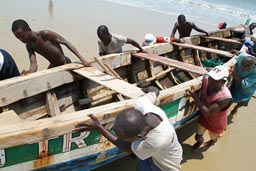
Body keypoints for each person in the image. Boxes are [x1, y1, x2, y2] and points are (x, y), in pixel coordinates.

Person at [74, 86, 183, 171]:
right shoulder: (142, 105)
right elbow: (155, 91)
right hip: (150, 153)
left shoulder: (158, 140)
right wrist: (144, 89)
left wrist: (99, 128)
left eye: (123, 137)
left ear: (138, 135)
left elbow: (128, 148)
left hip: (164, 165)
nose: (117, 137)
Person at [12, 19, 90, 75]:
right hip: (53, 66)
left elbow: (66, 43)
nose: (21, 39)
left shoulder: (45, 34)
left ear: (29, 30)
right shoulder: (29, 46)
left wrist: (82, 60)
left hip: (65, 63)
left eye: (22, 36)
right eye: (18, 38)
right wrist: (29, 72)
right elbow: (34, 65)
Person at [185, 65, 232, 151]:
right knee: (197, 137)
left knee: (214, 137)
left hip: (216, 122)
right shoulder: (207, 79)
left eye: (215, 80)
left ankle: (212, 141)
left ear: (223, 81)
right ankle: (200, 142)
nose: (211, 81)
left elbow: (207, 112)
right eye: (211, 77)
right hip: (204, 118)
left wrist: (194, 96)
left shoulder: (225, 97)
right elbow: (206, 75)